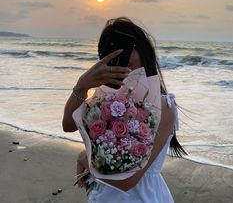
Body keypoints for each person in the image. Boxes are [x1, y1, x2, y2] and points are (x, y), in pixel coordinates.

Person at [62, 17, 186, 203]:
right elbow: (69, 125)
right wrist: (81, 87)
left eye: (127, 47)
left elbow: (128, 180)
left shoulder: (164, 106)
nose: (122, 57)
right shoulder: (105, 98)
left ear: (143, 49)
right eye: (111, 51)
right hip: (103, 194)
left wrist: (84, 158)